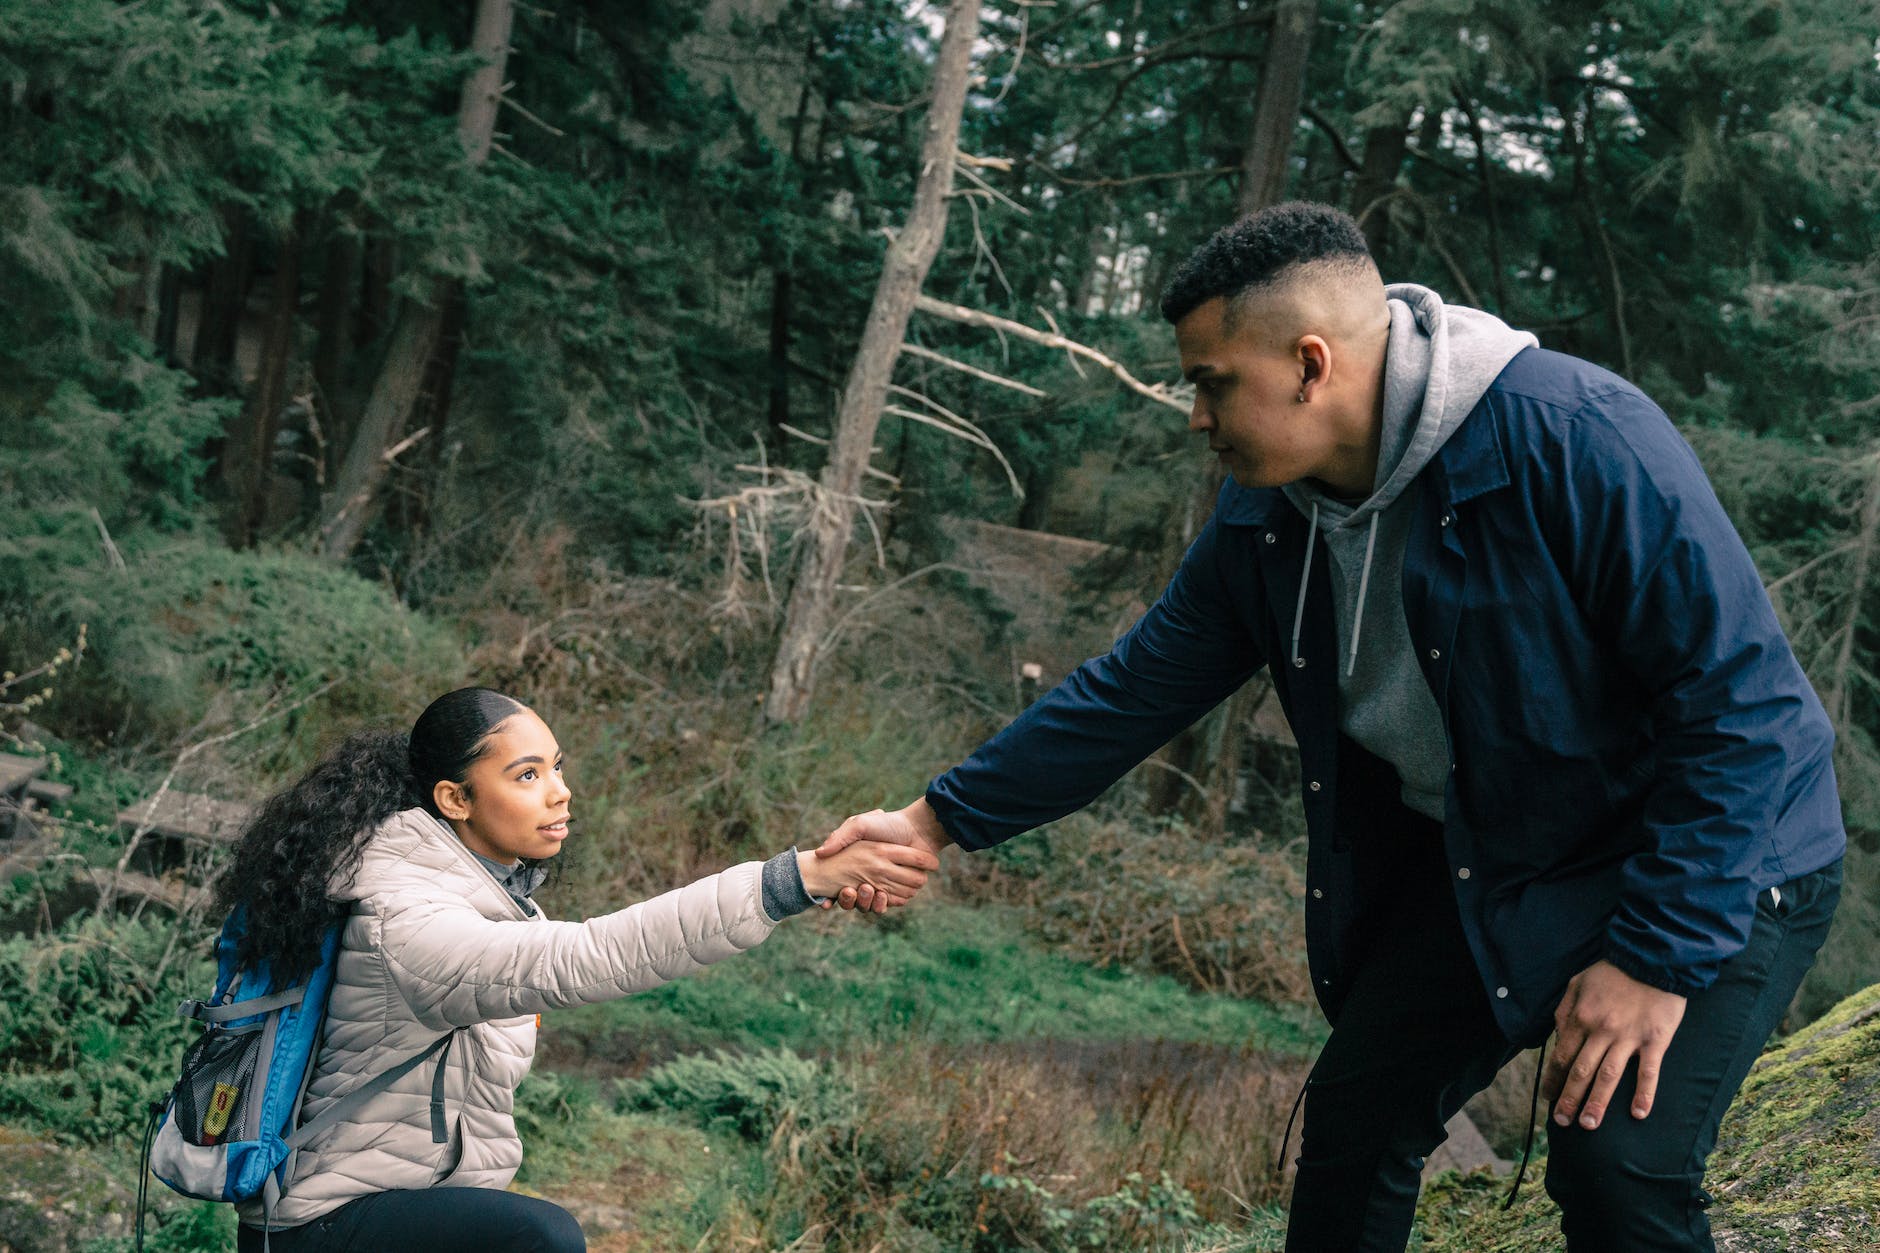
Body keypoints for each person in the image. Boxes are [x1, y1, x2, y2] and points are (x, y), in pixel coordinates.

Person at [814, 202, 1846, 1252]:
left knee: (1615, 1164)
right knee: (1352, 1124)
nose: (1194, 415)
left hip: (1717, 847)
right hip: (1510, 852)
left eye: (1212, 382)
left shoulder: (1574, 437)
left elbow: (1743, 711)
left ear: (1310, 364)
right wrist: (935, 821)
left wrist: (1656, 957)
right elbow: (1133, 688)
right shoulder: (1265, 517)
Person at [215, 686, 937, 1252]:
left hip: (406, 1209)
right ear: (454, 799)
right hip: (320, 1226)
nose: (559, 790)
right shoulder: (406, 919)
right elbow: (592, 955)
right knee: (542, 1238)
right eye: (526, 774)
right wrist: (794, 877)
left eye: (555, 766)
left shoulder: (485, 896)